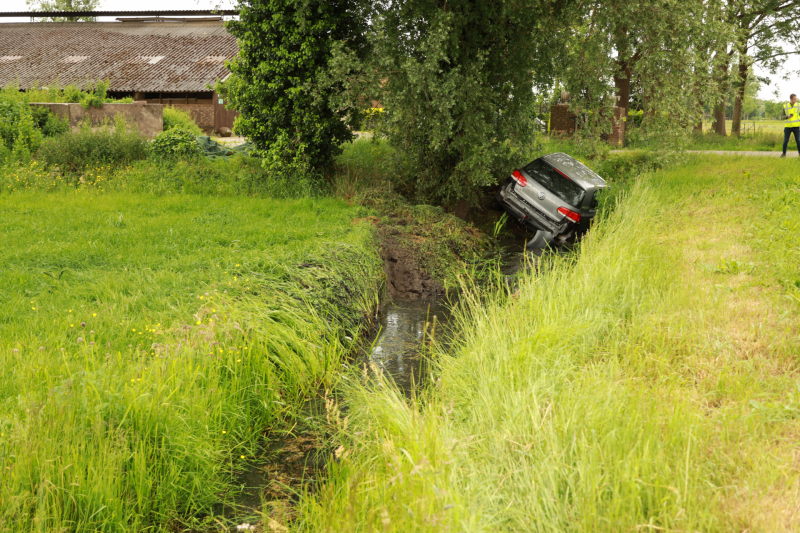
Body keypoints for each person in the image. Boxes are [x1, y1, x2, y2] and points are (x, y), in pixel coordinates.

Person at [782, 93, 800, 158]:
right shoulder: (785, 106)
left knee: (798, 141)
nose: (795, 100)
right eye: (794, 99)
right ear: (791, 99)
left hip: (796, 127)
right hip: (788, 127)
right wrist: (787, 116)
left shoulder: (799, 105)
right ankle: (783, 154)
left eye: (796, 99)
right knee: (785, 141)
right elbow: (782, 117)